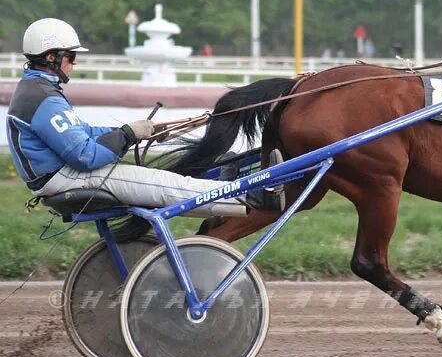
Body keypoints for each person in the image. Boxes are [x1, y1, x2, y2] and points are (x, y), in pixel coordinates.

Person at [6, 18, 283, 217]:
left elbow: (83, 131)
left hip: (63, 175)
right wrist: (127, 134)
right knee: (165, 185)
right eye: (71, 56)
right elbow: (85, 155)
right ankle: (254, 197)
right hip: (68, 177)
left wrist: (134, 131)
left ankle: (229, 190)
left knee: (164, 184)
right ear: (52, 57)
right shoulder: (43, 98)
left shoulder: (37, 90)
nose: (74, 63)